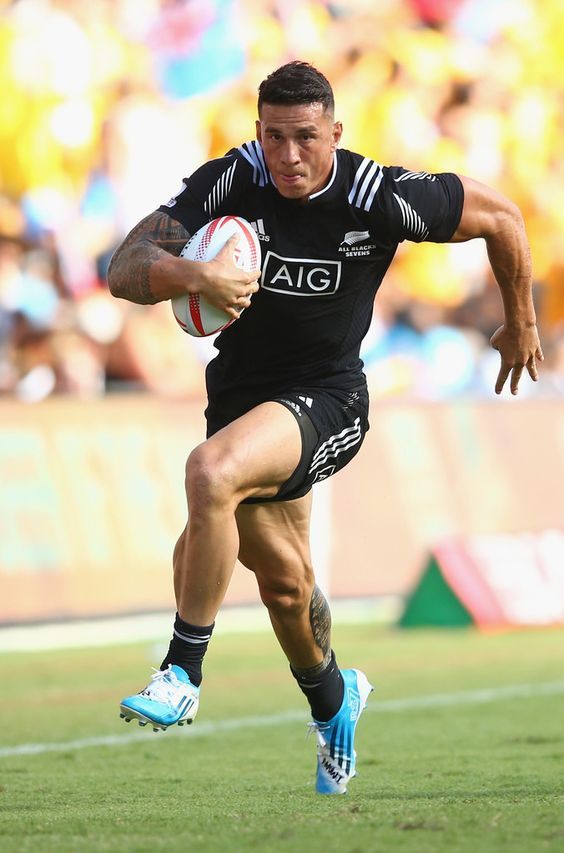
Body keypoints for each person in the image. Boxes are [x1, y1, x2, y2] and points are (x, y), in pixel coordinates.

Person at [107, 61, 543, 795]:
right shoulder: (230, 179)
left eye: (305, 137)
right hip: (242, 399)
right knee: (284, 583)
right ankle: (335, 703)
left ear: (334, 134)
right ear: (257, 133)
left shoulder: (379, 194)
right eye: (273, 137)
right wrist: (195, 276)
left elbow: (501, 216)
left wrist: (520, 320)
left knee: (210, 473)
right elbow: (124, 265)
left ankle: (182, 669)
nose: (288, 155)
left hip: (329, 398)